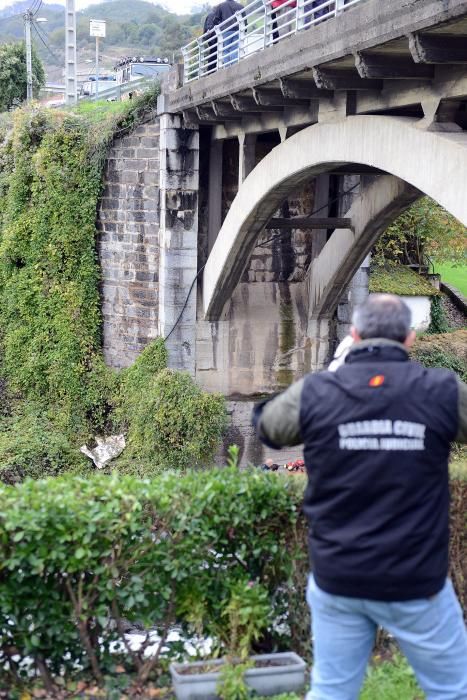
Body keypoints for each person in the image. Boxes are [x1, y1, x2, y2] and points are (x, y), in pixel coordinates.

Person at [253, 294, 467, 700]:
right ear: (409, 339)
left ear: (354, 334)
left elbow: (268, 427)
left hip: (340, 577)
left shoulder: (319, 391)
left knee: (332, 691)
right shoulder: (439, 390)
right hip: (415, 579)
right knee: (453, 691)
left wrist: (331, 377)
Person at [213, 0, 244, 65]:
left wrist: (220, 27)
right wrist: (244, 29)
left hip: (226, 30)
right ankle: (234, 65)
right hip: (237, 29)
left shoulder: (221, 6)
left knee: (226, 50)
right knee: (235, 49)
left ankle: (227, 67)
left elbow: (215, 20)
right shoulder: (240, 6)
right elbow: (244, 19)